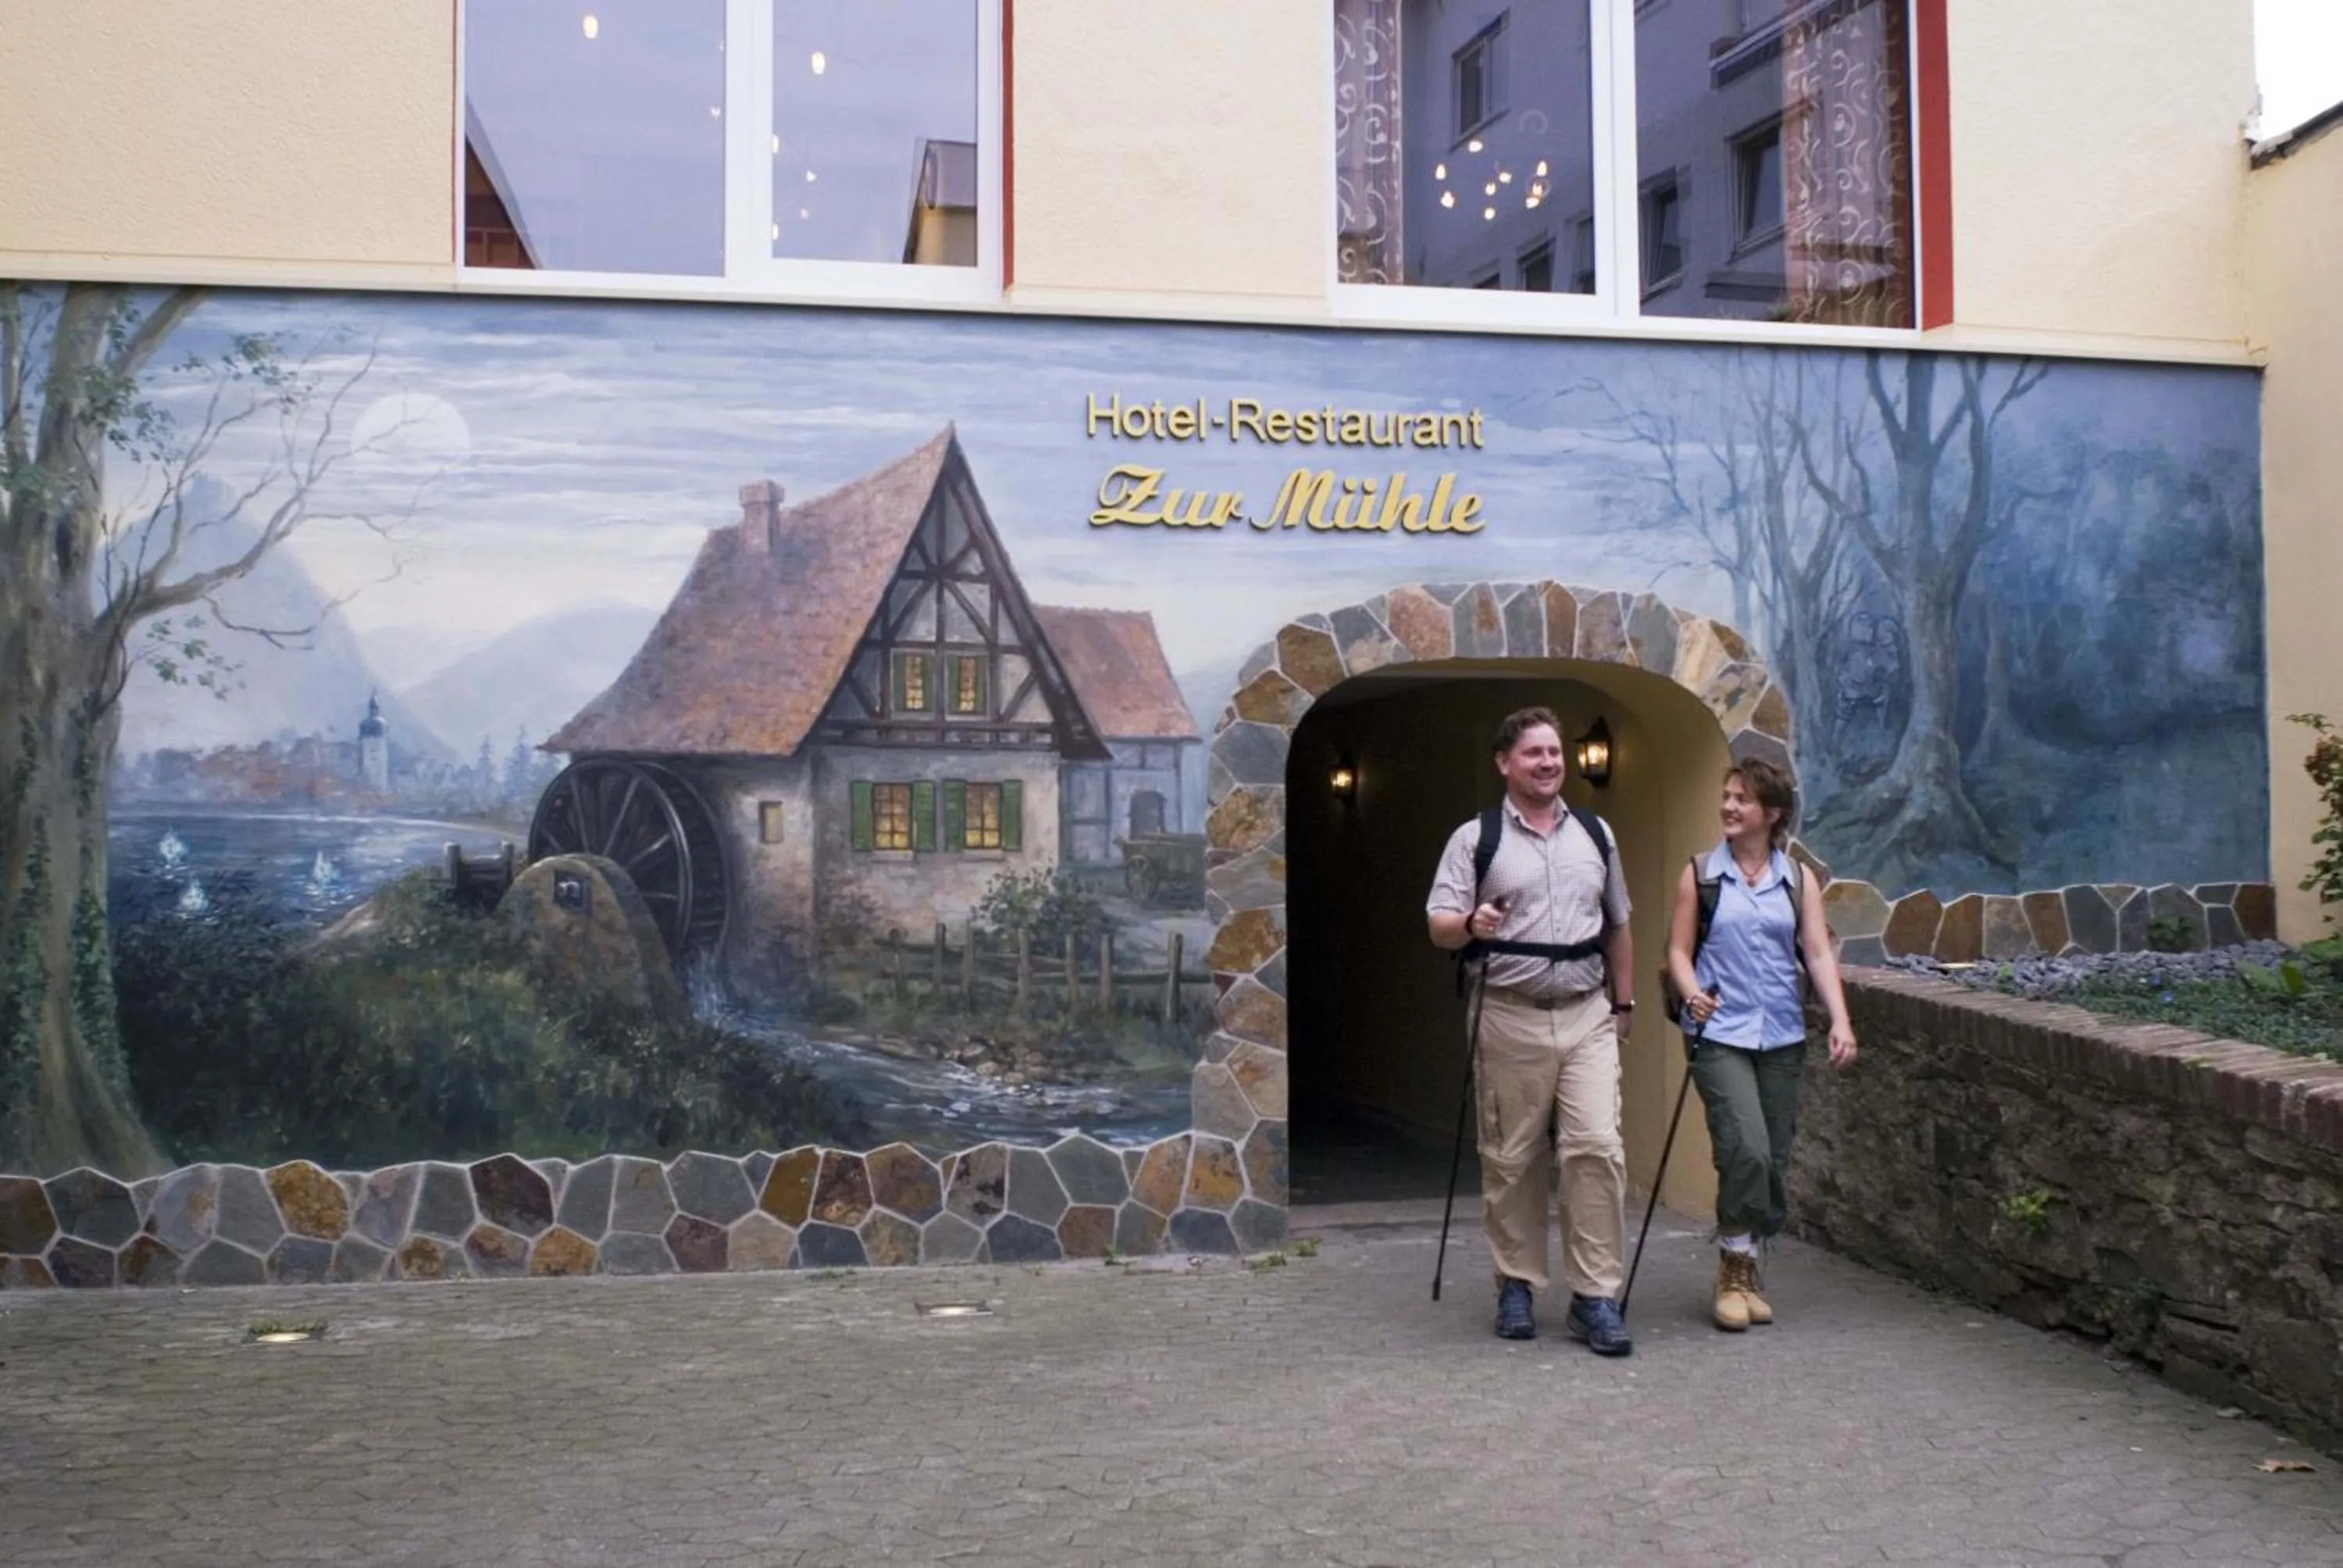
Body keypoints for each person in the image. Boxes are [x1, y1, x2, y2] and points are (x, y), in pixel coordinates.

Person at [1426, 707, 1635, 1354]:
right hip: (1508, 1012)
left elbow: (1619, 923)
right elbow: (1438, 925)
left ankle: (1595, 1297)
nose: (1549, 762)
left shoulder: (1596, 835)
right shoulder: (1475, 839)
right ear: (1504, 763)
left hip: (1586, 1013)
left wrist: (1623, 1006)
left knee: (1596, 1148)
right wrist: (1472, 926)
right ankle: (1516, 1283)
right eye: (1534, 753)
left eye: (1554, 751)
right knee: (1514, 1157)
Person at [1663, 757, 1857, 1333]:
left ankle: (1747, 1264)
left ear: (1770, 814)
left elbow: (1817, 953)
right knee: (1744, 1148)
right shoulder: (1699, 875)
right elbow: (1677, 951)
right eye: (1726, 796)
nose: (1728, 806)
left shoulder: (1798, 881)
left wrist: (1841, 1022)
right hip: (1719, 1033)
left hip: (1782, 1036)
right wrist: (1692, 992)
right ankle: (1732, 1271)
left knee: (1772, 1157)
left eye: (1741, 799)